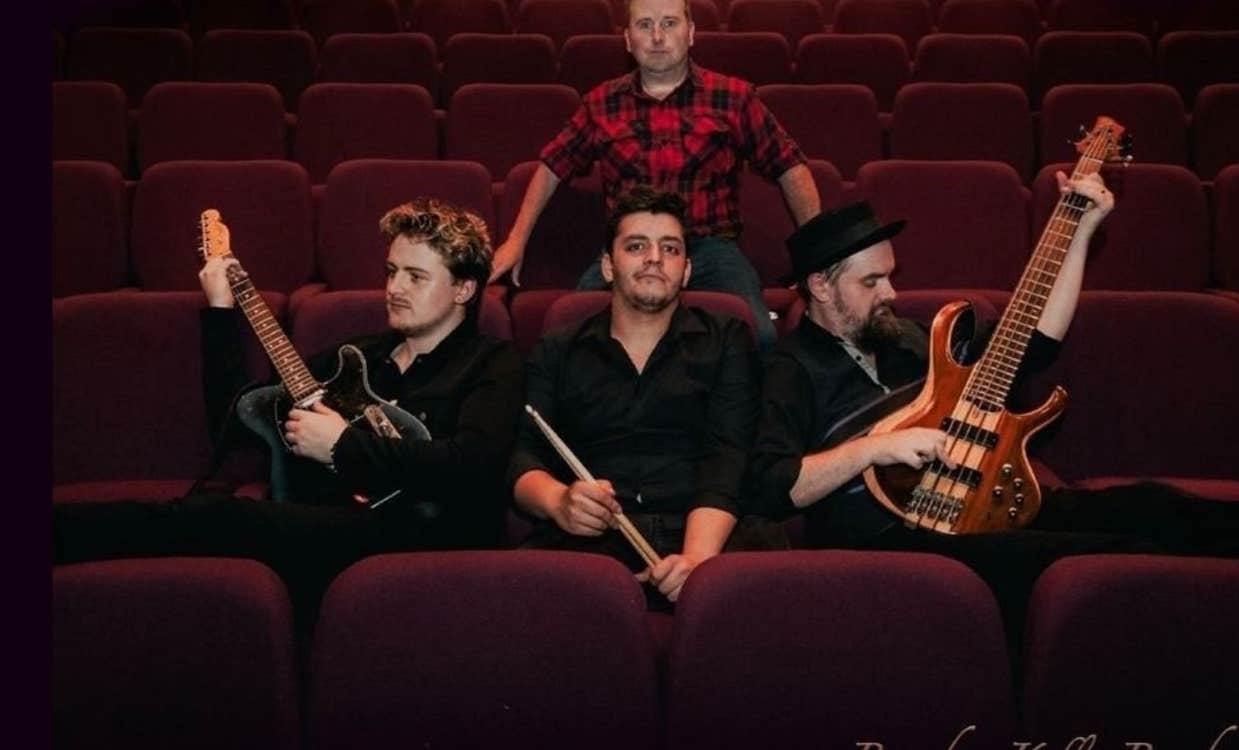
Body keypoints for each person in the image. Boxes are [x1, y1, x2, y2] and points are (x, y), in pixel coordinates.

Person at [749, 177, 1239, 651]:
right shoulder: (788, 370)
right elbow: (775, 486)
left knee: (1155, 506)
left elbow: (1030, 343)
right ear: (819, 286)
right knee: (1120, 557)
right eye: (872, 282)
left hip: (984, 499)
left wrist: (1079, 232)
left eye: (890, 277)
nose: (892, 293)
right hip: (895, 537)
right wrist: (873, 448)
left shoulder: (907, 339)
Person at [54, 198, 525, 633]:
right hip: (324, 518)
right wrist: (220, 309)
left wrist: (343, 445)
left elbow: (472, 465)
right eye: (391, 270)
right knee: (209, 526)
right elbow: (236, 415)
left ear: (464, 288)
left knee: (222, 518)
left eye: (415, 277)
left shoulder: (493, 363)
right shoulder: (357, 356)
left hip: (420, 533)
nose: (394, 288)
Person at [490, 0, 822, 350]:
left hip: (710, 248)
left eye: (670, 23)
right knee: (570, 330)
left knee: (760, 335)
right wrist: (515, 241)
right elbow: (551, 167)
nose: (658, 36)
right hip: (629, 247)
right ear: (628, 40)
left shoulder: (734, 97)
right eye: (645, 25)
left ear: (691, 33)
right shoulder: (602, 102)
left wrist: (817, 251)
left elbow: (790, 166)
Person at [508, 186, 775, 608]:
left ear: (686, 270)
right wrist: (559, 501)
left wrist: (696, 563)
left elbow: (728, 456)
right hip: (594, 537)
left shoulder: (727, 338)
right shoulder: (558, 346)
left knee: (768, 590)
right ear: (607, 267)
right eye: (636, 246)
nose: (655, 257)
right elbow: (524, 457)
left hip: (705, 528)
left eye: (670, 248)